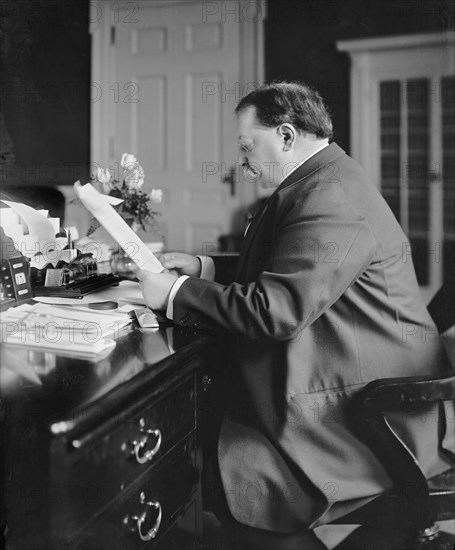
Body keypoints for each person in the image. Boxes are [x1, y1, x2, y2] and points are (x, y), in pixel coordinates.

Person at [137, 82, 454, 541]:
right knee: (208, 433)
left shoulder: (329, 197)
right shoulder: (323, 178)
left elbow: (276, 312)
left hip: (375, 413)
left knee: (214, 460)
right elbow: (290, 267)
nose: (241, 162)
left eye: (248, 146)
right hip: (361, 376)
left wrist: (177, 292)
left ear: (286, 136)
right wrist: (204, 267)